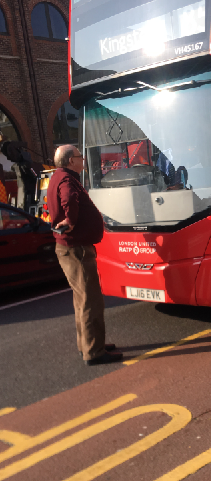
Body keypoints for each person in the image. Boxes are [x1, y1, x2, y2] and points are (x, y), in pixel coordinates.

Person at [47, 145, 123, 365]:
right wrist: (70, 220)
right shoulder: (68, 180)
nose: (83, 161)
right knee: (91, 300)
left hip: (69, 248)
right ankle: (95, 351)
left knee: (81, 300)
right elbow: (69, 197)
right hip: (77, 249)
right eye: (80, 157)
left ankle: (88, 344)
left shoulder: (57, 177)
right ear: (71, 161)